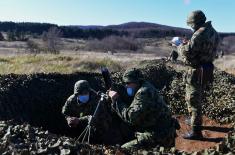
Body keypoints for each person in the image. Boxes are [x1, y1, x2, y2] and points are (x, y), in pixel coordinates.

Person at [108, 68, 179, 149]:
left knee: (123, 149)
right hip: (162, 130)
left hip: (159, 134)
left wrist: (117, 100)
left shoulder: (143, 92)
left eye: (128, 83)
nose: (126, 86)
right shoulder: (145, 86)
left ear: (137, 81)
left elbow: (131, 118)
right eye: (125, 83)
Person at [178, 10, 220, 139]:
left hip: (196, 71)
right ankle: (193, 120)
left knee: (193, 100)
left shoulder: (199, 34)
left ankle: (196, 132)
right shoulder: (214, 32)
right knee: (196, 97)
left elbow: (189, 52)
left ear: (195, 22)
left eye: (191, 24)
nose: (191, 27)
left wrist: (180, 46)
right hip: (206, 68)